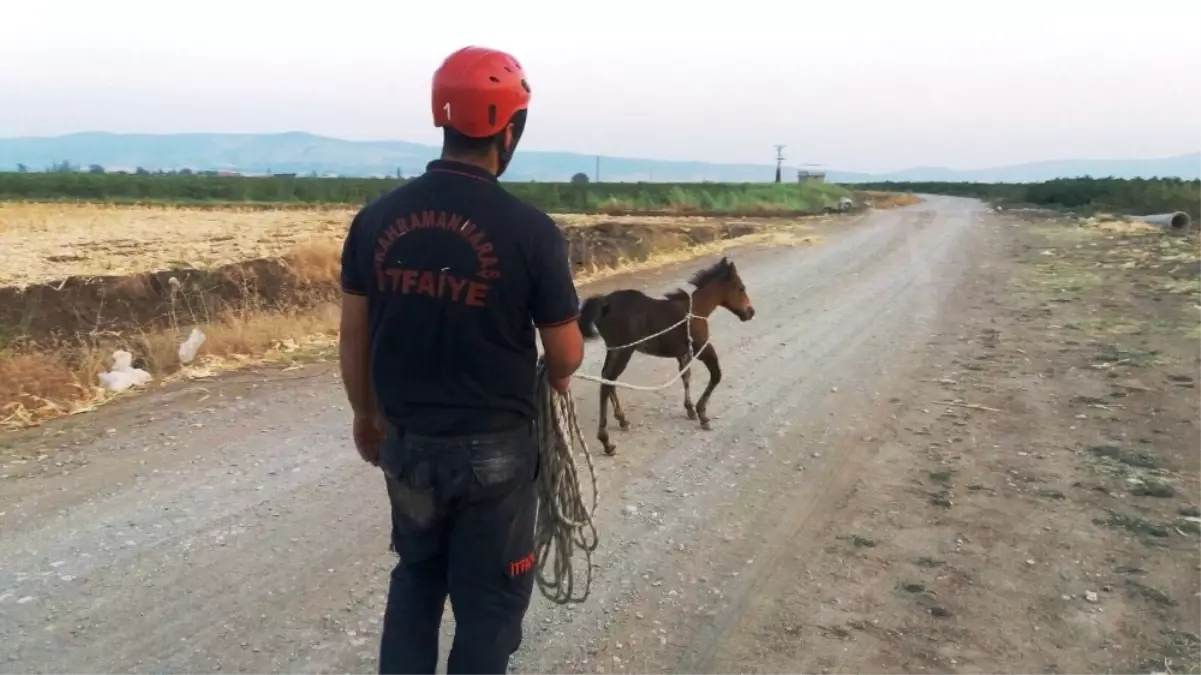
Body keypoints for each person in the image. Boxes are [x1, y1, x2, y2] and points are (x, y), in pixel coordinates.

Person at [337, 45, 586, 675]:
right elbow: (565, 352)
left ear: (443, 118)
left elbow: (354, 338)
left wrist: (367, 416)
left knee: (417, 577)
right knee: (491, 603)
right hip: (497, 455)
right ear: (510, 129)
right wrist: (557, 374)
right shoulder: (532, 232)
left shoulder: (376, 220)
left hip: (408, 442)